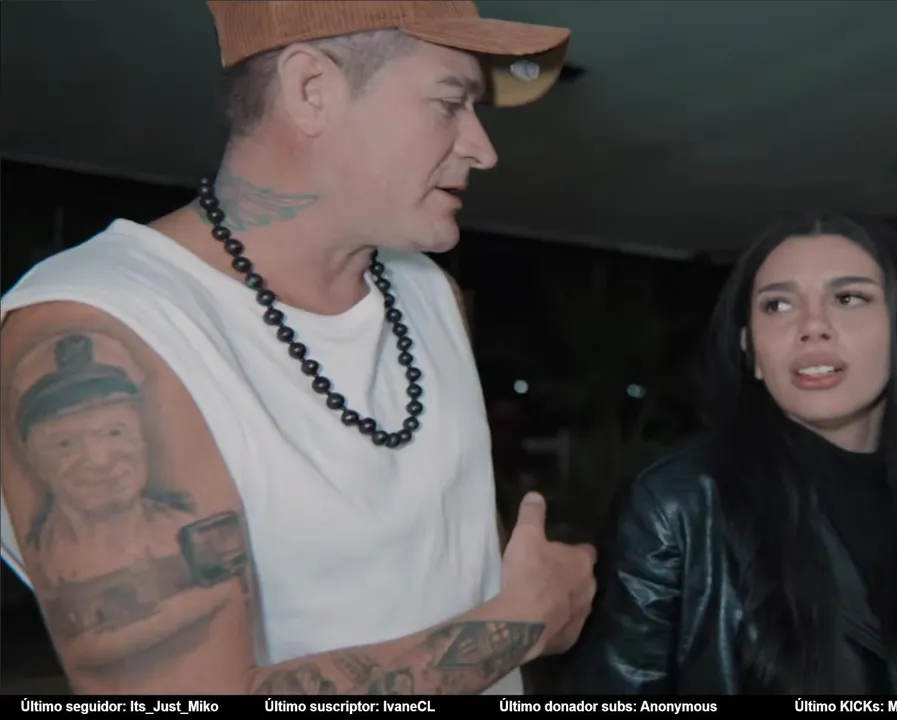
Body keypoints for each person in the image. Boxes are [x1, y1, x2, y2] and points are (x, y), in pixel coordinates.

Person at [0, 1, 596, 695]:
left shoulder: (427, 289)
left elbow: (447, 555)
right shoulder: (99, 324)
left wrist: (514, 601)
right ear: (312, 89)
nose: (482, 149)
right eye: (449, 102)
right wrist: (523, 623)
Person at [563, 213, 897, 694]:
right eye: (778, 305)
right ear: (750, 350)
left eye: (848, 298)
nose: (813, 326)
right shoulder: (678, 504)